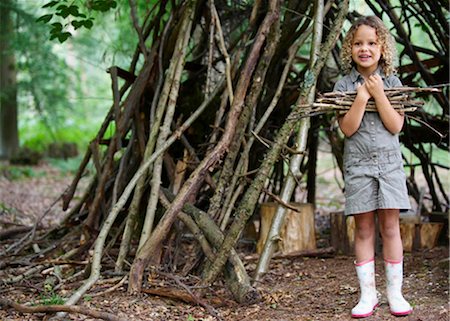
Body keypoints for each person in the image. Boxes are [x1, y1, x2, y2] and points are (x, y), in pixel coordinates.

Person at [333, 16, 412, 318]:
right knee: (364, 229)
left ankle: (395, 293)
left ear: (382, 48)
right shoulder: (343, 85)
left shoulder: (392, 83)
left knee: (390, 227)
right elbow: (348, 129)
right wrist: (362, 96)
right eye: (358, 43)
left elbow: (395, 125)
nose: (364, 49)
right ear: (350, 48)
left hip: (389, 166)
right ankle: (368, 295)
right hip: (359, 166)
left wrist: (379, 94)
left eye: (371, 43)